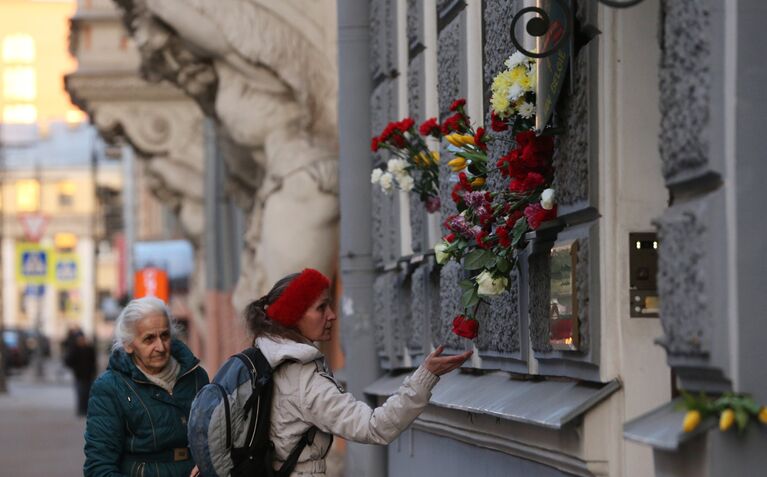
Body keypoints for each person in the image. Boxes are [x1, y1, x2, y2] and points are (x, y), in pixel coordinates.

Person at [244, 268, 472, 476]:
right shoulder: (303, 380)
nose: (332, 315)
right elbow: (375, 427)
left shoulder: (266, 362)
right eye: (321, 307)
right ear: (295, 316)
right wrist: (426, 376)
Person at [84, 297, 209, 477]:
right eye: (149, 339)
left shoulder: (196, 376)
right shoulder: (110, 388)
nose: (160, 346)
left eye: (165, 336)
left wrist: (209, 464)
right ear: (128, 344)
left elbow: (216, 438)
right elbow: (99, 468)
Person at [64, 331, 97, 416]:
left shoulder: (89, 349)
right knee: (80, 393)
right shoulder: (75, 349)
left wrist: (94, 372)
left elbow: (93, 362)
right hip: (79, 376)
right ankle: (80, 410)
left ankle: (86, 410)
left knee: (88, 393)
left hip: (89, 375)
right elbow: (68, 361)